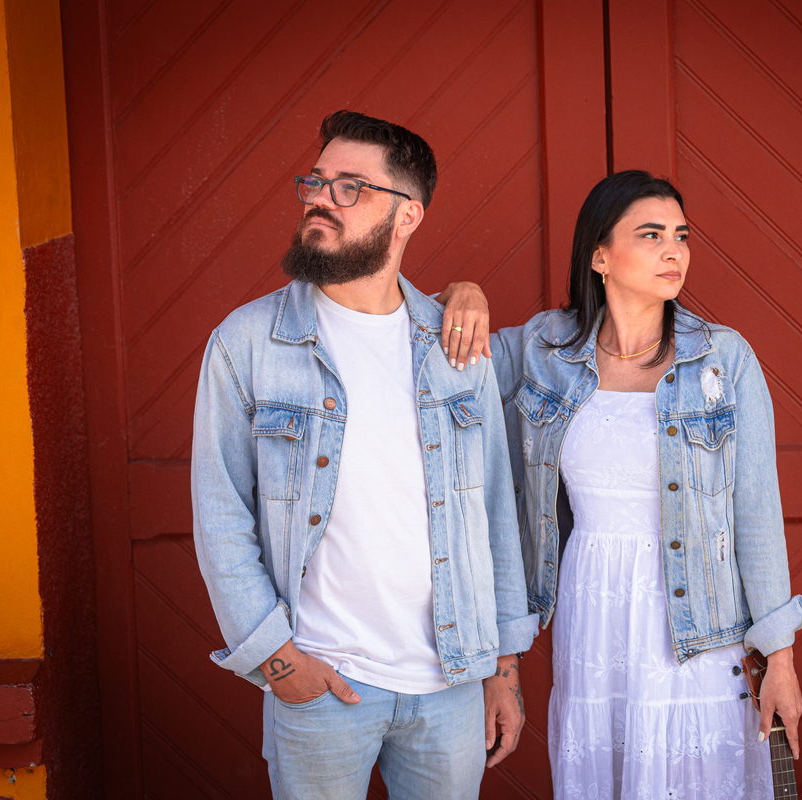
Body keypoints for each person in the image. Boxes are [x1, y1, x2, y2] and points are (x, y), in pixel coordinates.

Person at [191, 110, 538, 800]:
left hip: (451, 686)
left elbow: (496, 511)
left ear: (407, 215)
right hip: (321, 687)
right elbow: (219, 513)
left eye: (351, 186)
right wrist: (278, 662)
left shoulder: (455, 347)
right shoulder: (249, 343)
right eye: (316, 182)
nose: (321, 198)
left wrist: (503, 667)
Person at [438, 170, 802, 799]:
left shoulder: (723, 357)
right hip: (595, 614)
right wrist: (462, 290)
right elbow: (432, 340)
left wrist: (780, 656)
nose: (675, 251)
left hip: (697, 629)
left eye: (682, 235)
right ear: (600, 256)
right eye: (652, 234)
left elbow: (757, 513)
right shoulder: (542, 350)